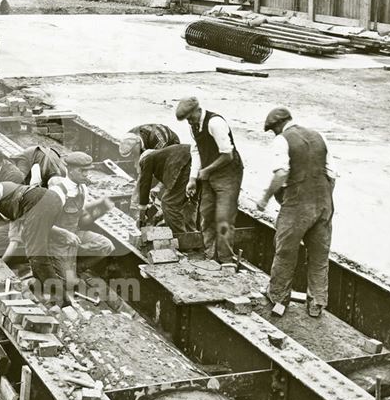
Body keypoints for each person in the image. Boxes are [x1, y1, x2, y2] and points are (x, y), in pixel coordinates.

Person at [256, 107, 337, 318]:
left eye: (273, 130)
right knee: (320, 256)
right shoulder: (319, 136)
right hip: (324, 204)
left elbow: (282, 173)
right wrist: (322, 200)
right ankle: (317, 303)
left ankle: (278, 297)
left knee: (285, 252)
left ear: (277, 126)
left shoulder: (282, 140)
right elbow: (332, 175)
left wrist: (265, 198)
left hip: (297, 207)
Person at [176, 97, 243, 265]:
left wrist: (207, 170)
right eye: (187, 120)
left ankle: (226, 260)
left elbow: (228, 155)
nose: (189, 122)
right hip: (209, 175)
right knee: (206, 215)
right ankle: (210, 256)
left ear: (198, 110)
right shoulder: (194, 127)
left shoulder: (215, 123)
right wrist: (192, 178)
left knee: (223, 218)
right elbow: (196, 151)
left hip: (228, 175)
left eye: (191, 117)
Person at [0, 181, 65, 283]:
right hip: (51, 200)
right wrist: (0, 265)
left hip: (42, 202)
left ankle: (57, 292)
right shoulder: (13, 209)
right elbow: (13, 244)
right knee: (34, 253)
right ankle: (44, 286)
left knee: (36, 253)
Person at [45, 152, 114, 284]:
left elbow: (81, 219)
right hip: (55, 242)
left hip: (74, 235)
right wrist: (65, 234)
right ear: (69, 170)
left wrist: (99, 210)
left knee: (106, 246)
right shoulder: (57, 192)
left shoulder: (82, 189)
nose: (86, 174)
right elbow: (41, 223)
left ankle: (78, 268)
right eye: (82, 171)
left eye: (87, 170)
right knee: (69, 284)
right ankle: (61, 267)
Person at [136, 144, 196, 235]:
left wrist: (142, 214)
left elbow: (144, 184)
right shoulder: (165, 156)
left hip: (184, 163)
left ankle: (182, 239)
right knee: (189, 203)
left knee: (169, 204)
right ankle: (193, 237)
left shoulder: (147, 159)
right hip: (196, 162)